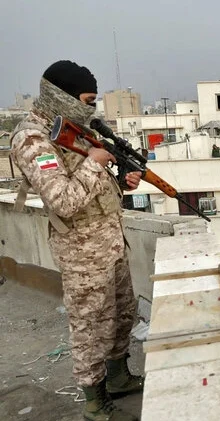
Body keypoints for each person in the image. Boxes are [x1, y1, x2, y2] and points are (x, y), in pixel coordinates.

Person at [10, 60, 143, 420]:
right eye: (86, 99)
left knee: (121, 314)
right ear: (61, 95)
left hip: (111, 242)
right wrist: (94, 164)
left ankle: (118, 379)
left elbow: (96, 188)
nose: (91, 108)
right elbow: (63, 201)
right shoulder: (33, 137)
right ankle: (96, 405)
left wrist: (123, 182)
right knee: (90, 328)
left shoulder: (74, 128)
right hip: (82, 253)